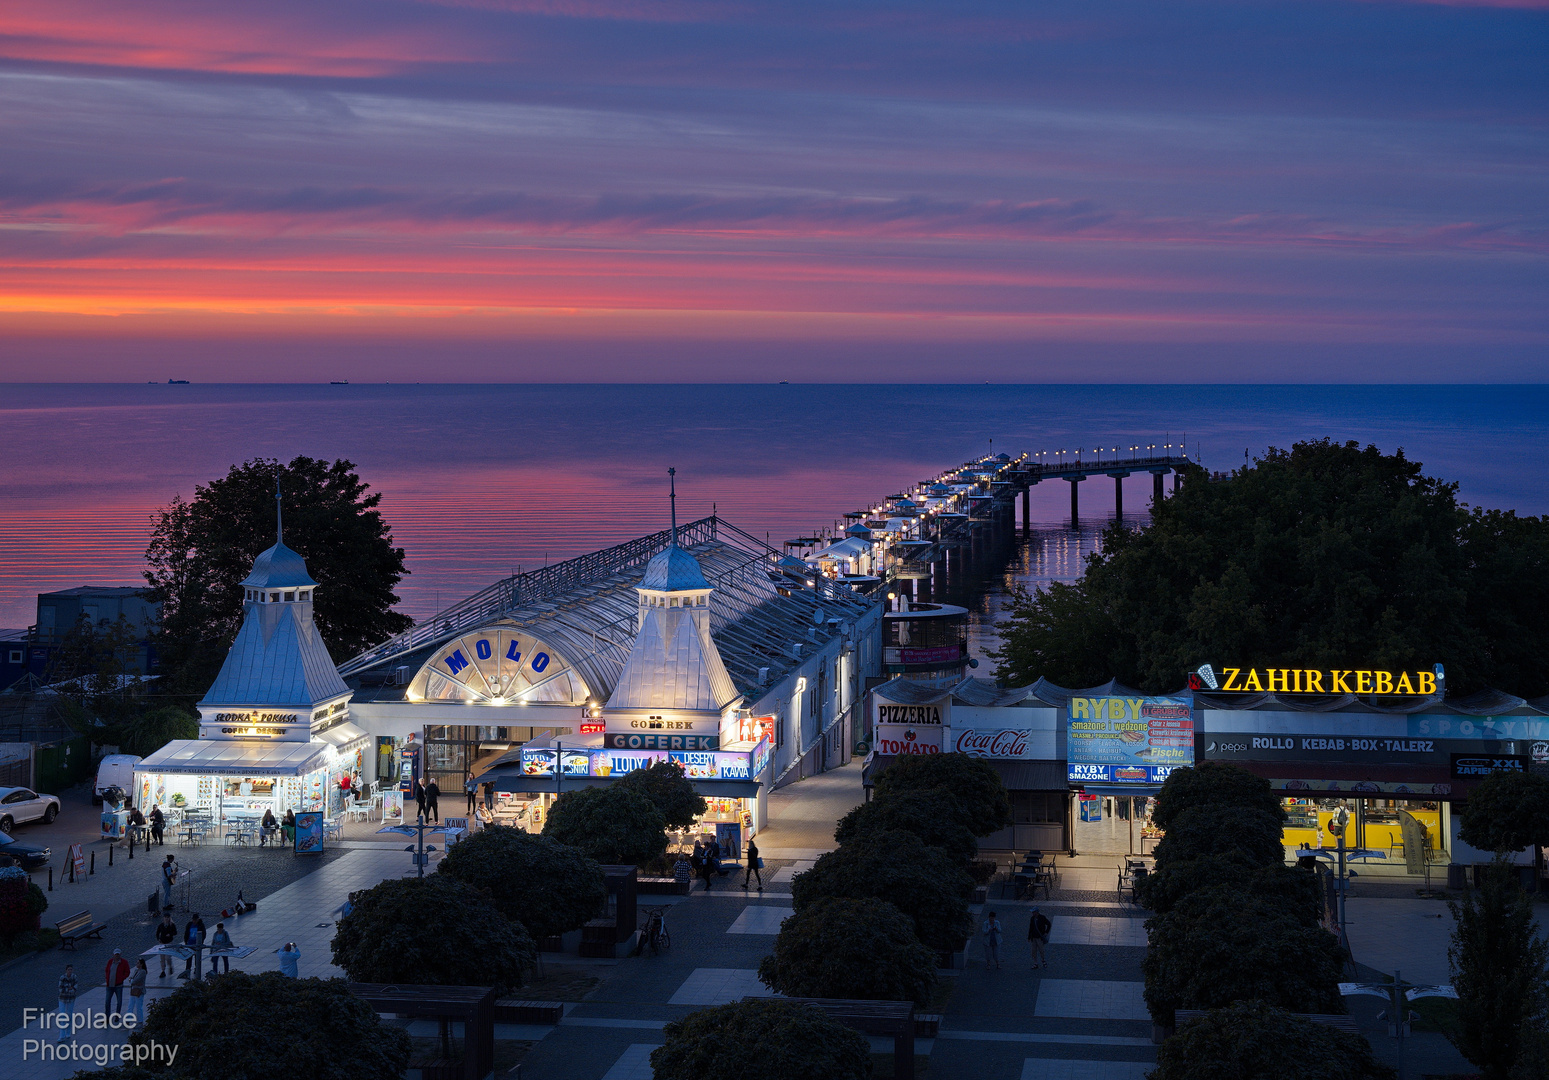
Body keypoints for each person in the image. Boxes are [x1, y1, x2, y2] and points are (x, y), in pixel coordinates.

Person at [104, 948, 130, 1013]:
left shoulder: (124, 962)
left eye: (118, 954)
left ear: (120, 954)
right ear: (113, 954)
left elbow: (127, 972)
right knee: (107, 1001)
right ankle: (107, 1016)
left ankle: (117, 1015)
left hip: (118, 985)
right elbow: (107, 970)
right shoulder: (110, 961)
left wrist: (122, 978)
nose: (117, 956)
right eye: (116, 954)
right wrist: (107, 978)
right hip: (109, 985)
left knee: (119, 1002)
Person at [179, 914, 206, 979]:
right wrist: (186, 941)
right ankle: (187, 970)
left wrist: (201, 942)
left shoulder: (201, 925)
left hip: (197, 945)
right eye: (193, 920)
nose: (194, 921)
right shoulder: (189, 924)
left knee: (197, 958)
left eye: (195, 920)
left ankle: (196, 969)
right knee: (189, 958)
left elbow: (204, 934)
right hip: (189, 944)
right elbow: (186, 933)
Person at [56, 964, 77, 1043]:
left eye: (71, 969)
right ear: (66, 970)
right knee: (62, 1016)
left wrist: (68, 988)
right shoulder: (62, 978)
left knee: (69, 1015)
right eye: (69, 969)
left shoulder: (74, 977)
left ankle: (68, 1032)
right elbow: (60, 989)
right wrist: (69, 988)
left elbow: (75, 987)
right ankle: (61, 1035)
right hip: (62, 999)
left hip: (71, 999)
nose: (70, 971)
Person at [1028, 905, 1052, 970]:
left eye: (1033, 912)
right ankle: (1035, 963)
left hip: (1039, 937)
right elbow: (1031, 928)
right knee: (1033, 951)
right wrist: (1029, 937)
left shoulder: (1042, 918)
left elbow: (1049, 924)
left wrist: (1046, 932)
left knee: (1041, 950)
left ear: (1036, 912)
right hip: (1034, 937)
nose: (1032, 913)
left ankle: (1043, 960)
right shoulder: (1032, 918)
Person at [127, 958, 148, 1025]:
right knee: (130, 1005)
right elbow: (130, 978)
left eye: (138, 963)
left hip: (139, 991)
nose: (136, 964)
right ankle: (128, 1019)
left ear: (141, 964)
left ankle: (140, 1021)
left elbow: (135, 980)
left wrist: (132, 980)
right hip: (133, 990)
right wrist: (131, 980)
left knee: (138, 1006)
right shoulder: (136, 970)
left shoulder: (143, 972)